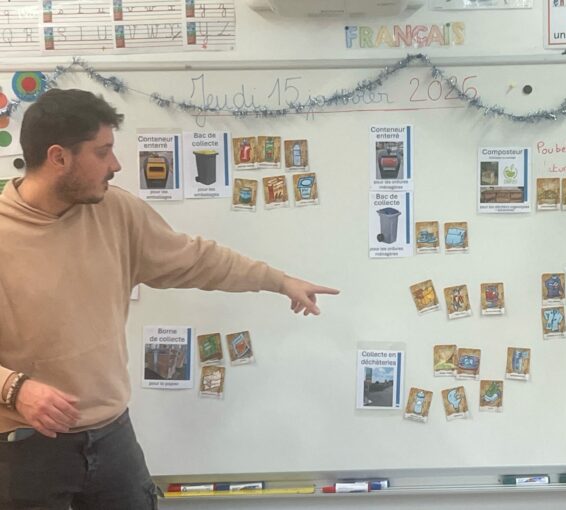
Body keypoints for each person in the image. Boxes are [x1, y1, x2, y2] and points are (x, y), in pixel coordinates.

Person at [0, 88, 339, 509]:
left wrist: (277, 280)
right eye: (102, 152)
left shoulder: (116, 211)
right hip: (25, 446)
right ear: (58, 157)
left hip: (111, 436)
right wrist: (13, 389)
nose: (116, 165)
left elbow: (196, 259)